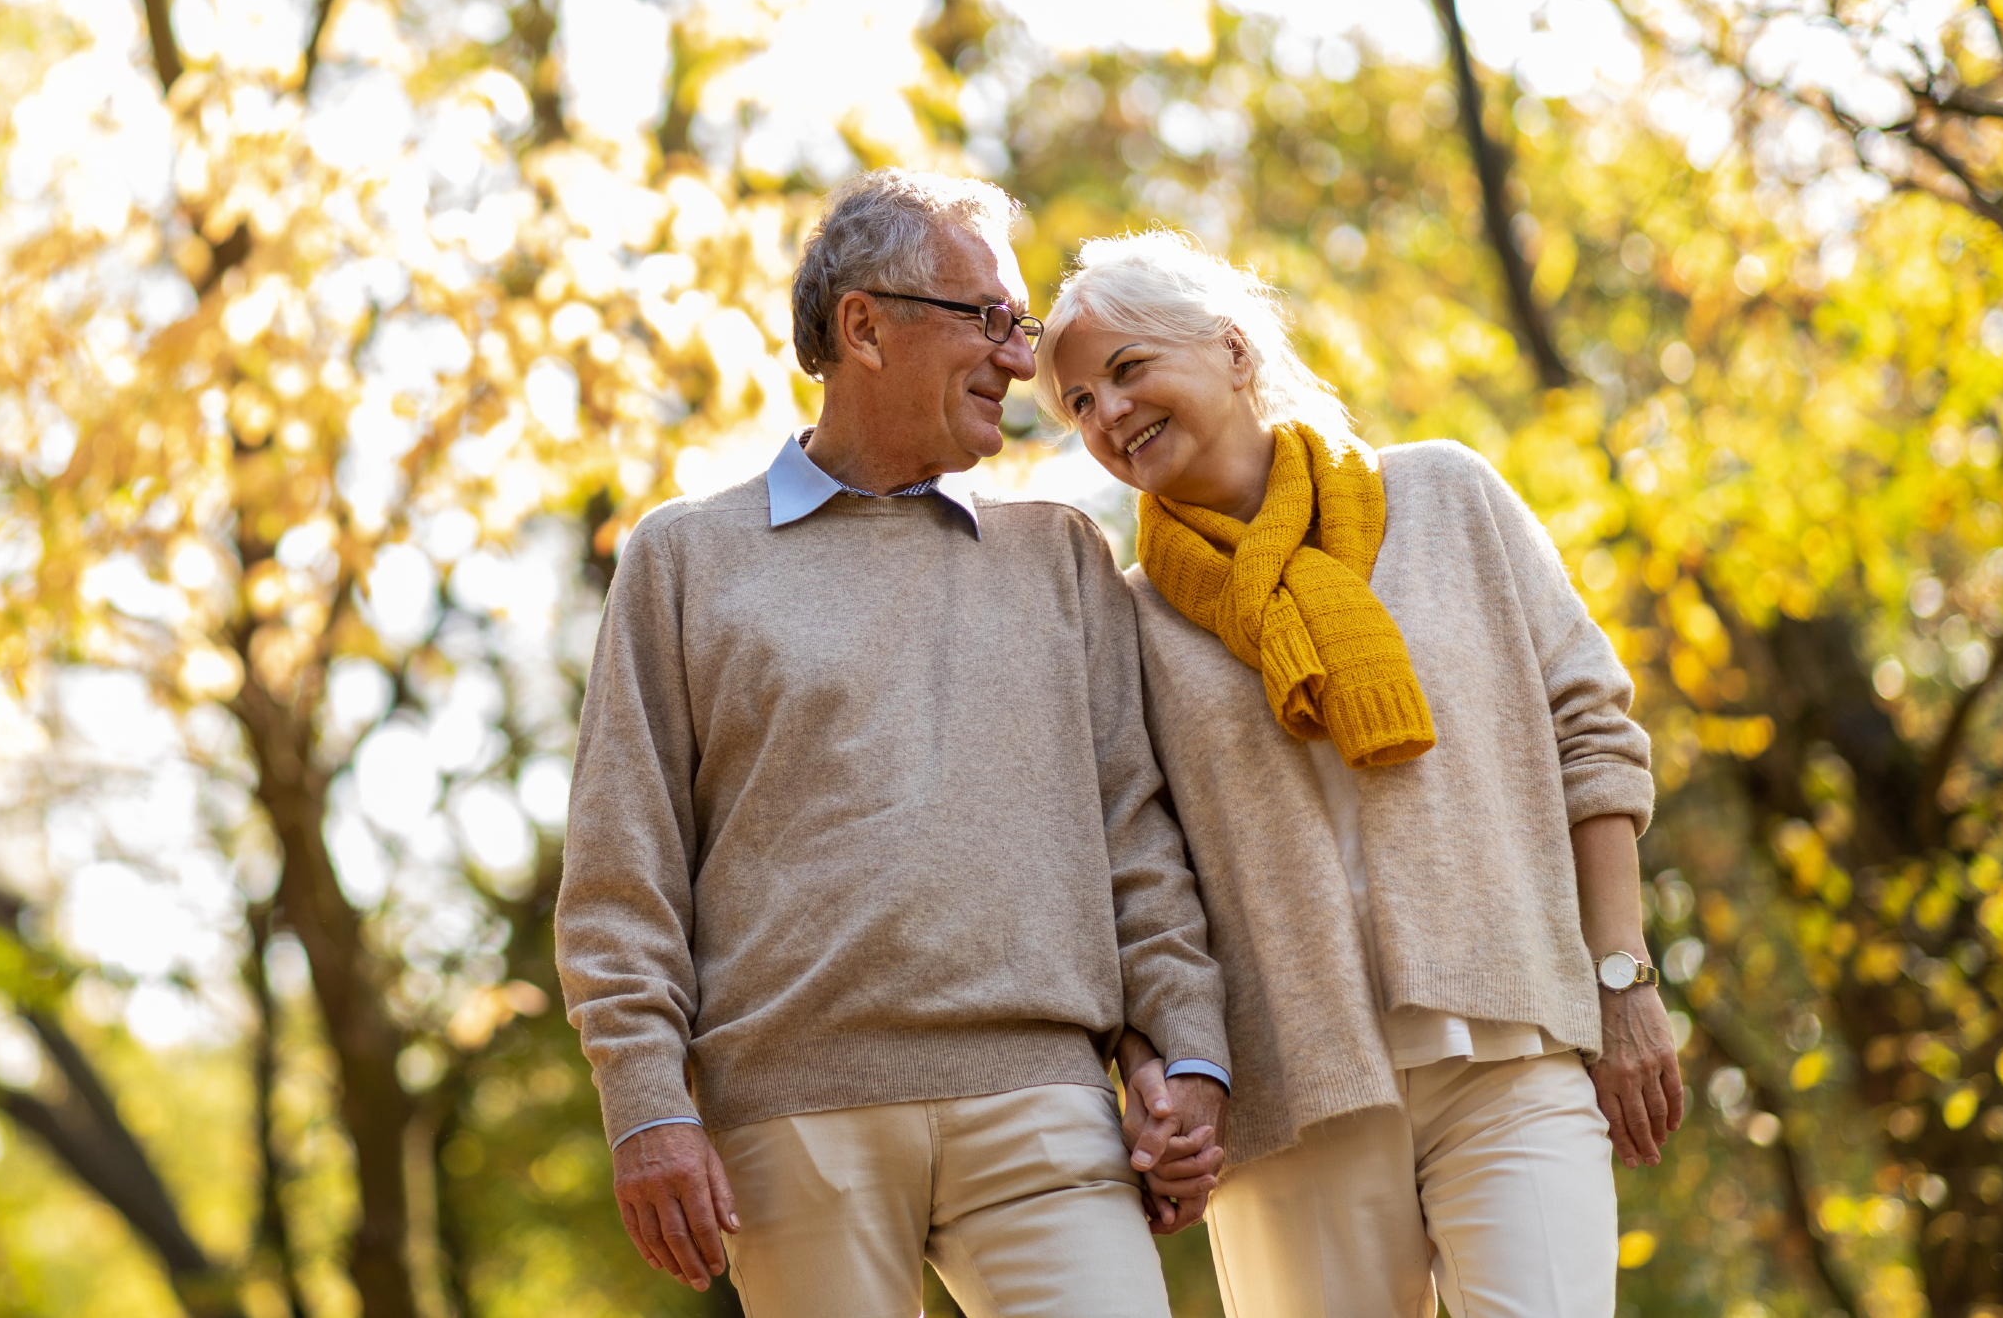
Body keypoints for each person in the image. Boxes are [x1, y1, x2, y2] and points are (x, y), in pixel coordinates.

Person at [555, 170, 1230, 1318]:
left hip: (1045, 1102)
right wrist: (647, 1102)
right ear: (864, 326)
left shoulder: (1059, 558)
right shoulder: (682, 561)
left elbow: (1135, 830)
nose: (1022, 362)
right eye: (991, 320)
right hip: (790, 1126)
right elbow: (622, 874)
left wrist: (1186, 1051)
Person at [1036, 228, 1683, 1316]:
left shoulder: (1447, 499)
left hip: (1510, 1052)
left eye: (1126, 369)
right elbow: (1131, 867)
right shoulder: (1125, 617)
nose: (1105, 414)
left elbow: (1591, 732)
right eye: (1076, 404)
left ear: (1234, 351)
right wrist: (1157, 1062)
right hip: (1294, 1097)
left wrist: (1621, 980)